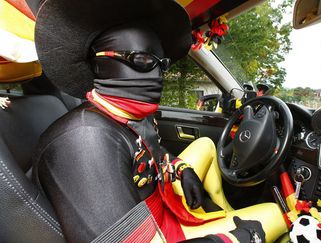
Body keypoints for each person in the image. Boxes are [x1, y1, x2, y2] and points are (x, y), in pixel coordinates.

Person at [32, 0, 287, 242]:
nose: (157, 75)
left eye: (161, 65)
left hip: (161, 204)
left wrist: (180, 169)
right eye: (142, 60)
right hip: (158, 231)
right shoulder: (85, 138)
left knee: (207, 145)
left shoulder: (127, 113)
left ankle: (224, 212)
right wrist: (237, 237)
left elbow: (150, 149)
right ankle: (230, 223)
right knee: (276, 215)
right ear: (100, 64)